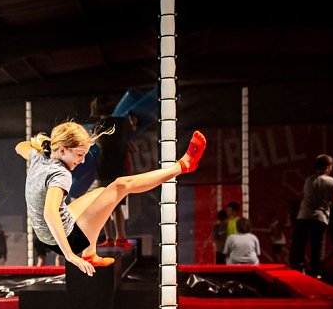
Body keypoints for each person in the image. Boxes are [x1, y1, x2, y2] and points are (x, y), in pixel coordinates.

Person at [17, 121, 206, 276]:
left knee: (100, 193)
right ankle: (182, 165)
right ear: (64, 150)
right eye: (80, 155)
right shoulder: (61, 174)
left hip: (47, 232)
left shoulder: (39, 156)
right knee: (121, 185)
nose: (82, 161)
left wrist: (42, 144)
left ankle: (90, 254)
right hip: (66, 238)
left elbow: (20, 147)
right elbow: (50, 213)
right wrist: (70, 256)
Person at [289, 154, 333, 276]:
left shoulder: (309, 179)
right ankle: (314, 271)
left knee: (301, 243)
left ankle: (299, 266)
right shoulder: (331, 180)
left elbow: (315, 198)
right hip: (319, 218)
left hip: (303, 216)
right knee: (316, 245)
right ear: (328, 167)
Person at [89, 96, 133, 247]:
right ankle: (120, 237)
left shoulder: (96, 127)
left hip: (103, 170)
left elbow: (95, 146)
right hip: (119, 169)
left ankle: (109, 238)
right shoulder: (122, 122)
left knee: (104, 206)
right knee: (117, 206)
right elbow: (132, 130)